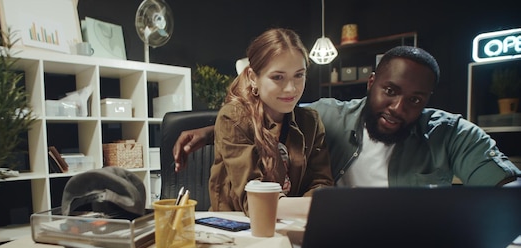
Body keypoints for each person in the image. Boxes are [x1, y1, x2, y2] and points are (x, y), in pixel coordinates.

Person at [175, 46, 521, 188]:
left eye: (415, 100)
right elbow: (272, 114)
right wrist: (210, 130)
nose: (399, 108)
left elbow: (508, 189)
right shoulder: (329, 115)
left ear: (428, 100)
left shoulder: (452, 134)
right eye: (390, 91)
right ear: (372, 83)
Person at [208, 28, 334, 220]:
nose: (291, 88)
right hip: (236, 228)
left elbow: (321, 183)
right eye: (278, 77)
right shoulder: (233, 118)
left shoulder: (310, 122)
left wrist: (316, 206)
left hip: (292, 224)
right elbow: (255, 202)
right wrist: (323, 206)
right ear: (253, 78)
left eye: (299, 75)